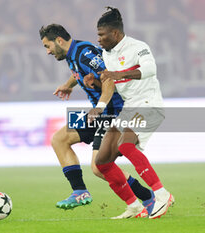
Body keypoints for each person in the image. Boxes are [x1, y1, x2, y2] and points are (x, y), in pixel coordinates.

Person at [39, 24, 155, 211]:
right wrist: (69, 84)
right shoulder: (71, 55)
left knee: (99, 167)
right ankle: (79, 191)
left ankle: (148, 198)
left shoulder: (84, 53)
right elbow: (80, 73)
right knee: (59, 139)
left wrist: (100, 107)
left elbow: (109, 78)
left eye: (47, 46)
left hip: (112, 112)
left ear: (59, 41)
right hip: (99, 112)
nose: (47, 52)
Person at [84, 7, 174, 219]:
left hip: (148, 103)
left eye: (101, 35)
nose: (98, 40)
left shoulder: (137, 47)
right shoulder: (107, 54)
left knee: (125, 145)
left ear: (115, 33)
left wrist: (117, 73)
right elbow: (113, 84)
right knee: (103, 161)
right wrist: (96, 83)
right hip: (129, 107)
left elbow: (151, 69)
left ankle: (162, 194)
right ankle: (134, 205)